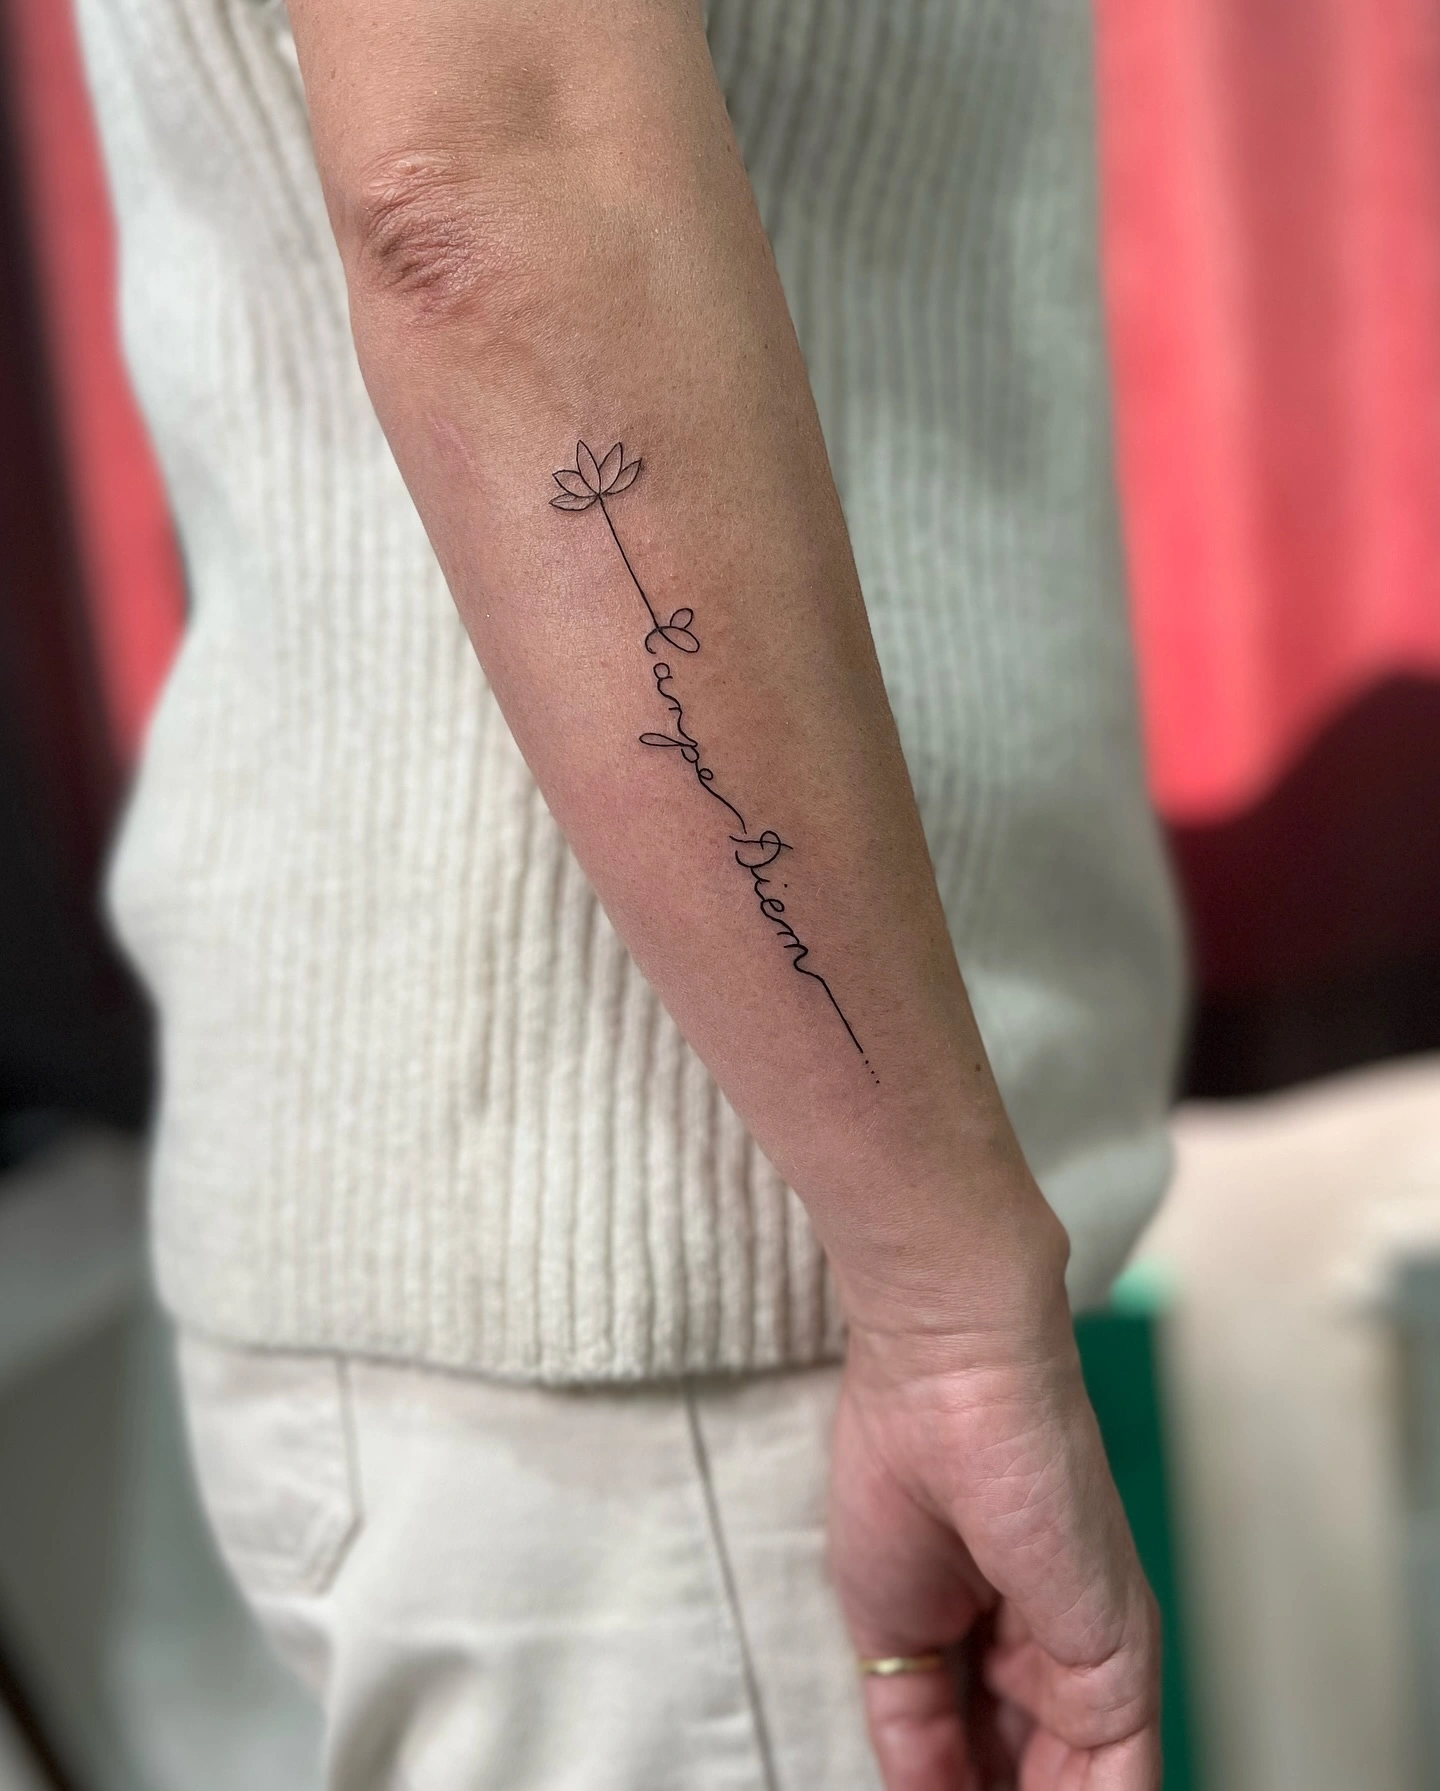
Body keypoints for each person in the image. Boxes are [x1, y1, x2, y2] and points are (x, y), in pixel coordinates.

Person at [80, 0, 1184, 1784]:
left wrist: (954, 1284)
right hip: (700, 1340)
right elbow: (487, 193)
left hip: (772, 1301)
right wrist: (940, 1293)